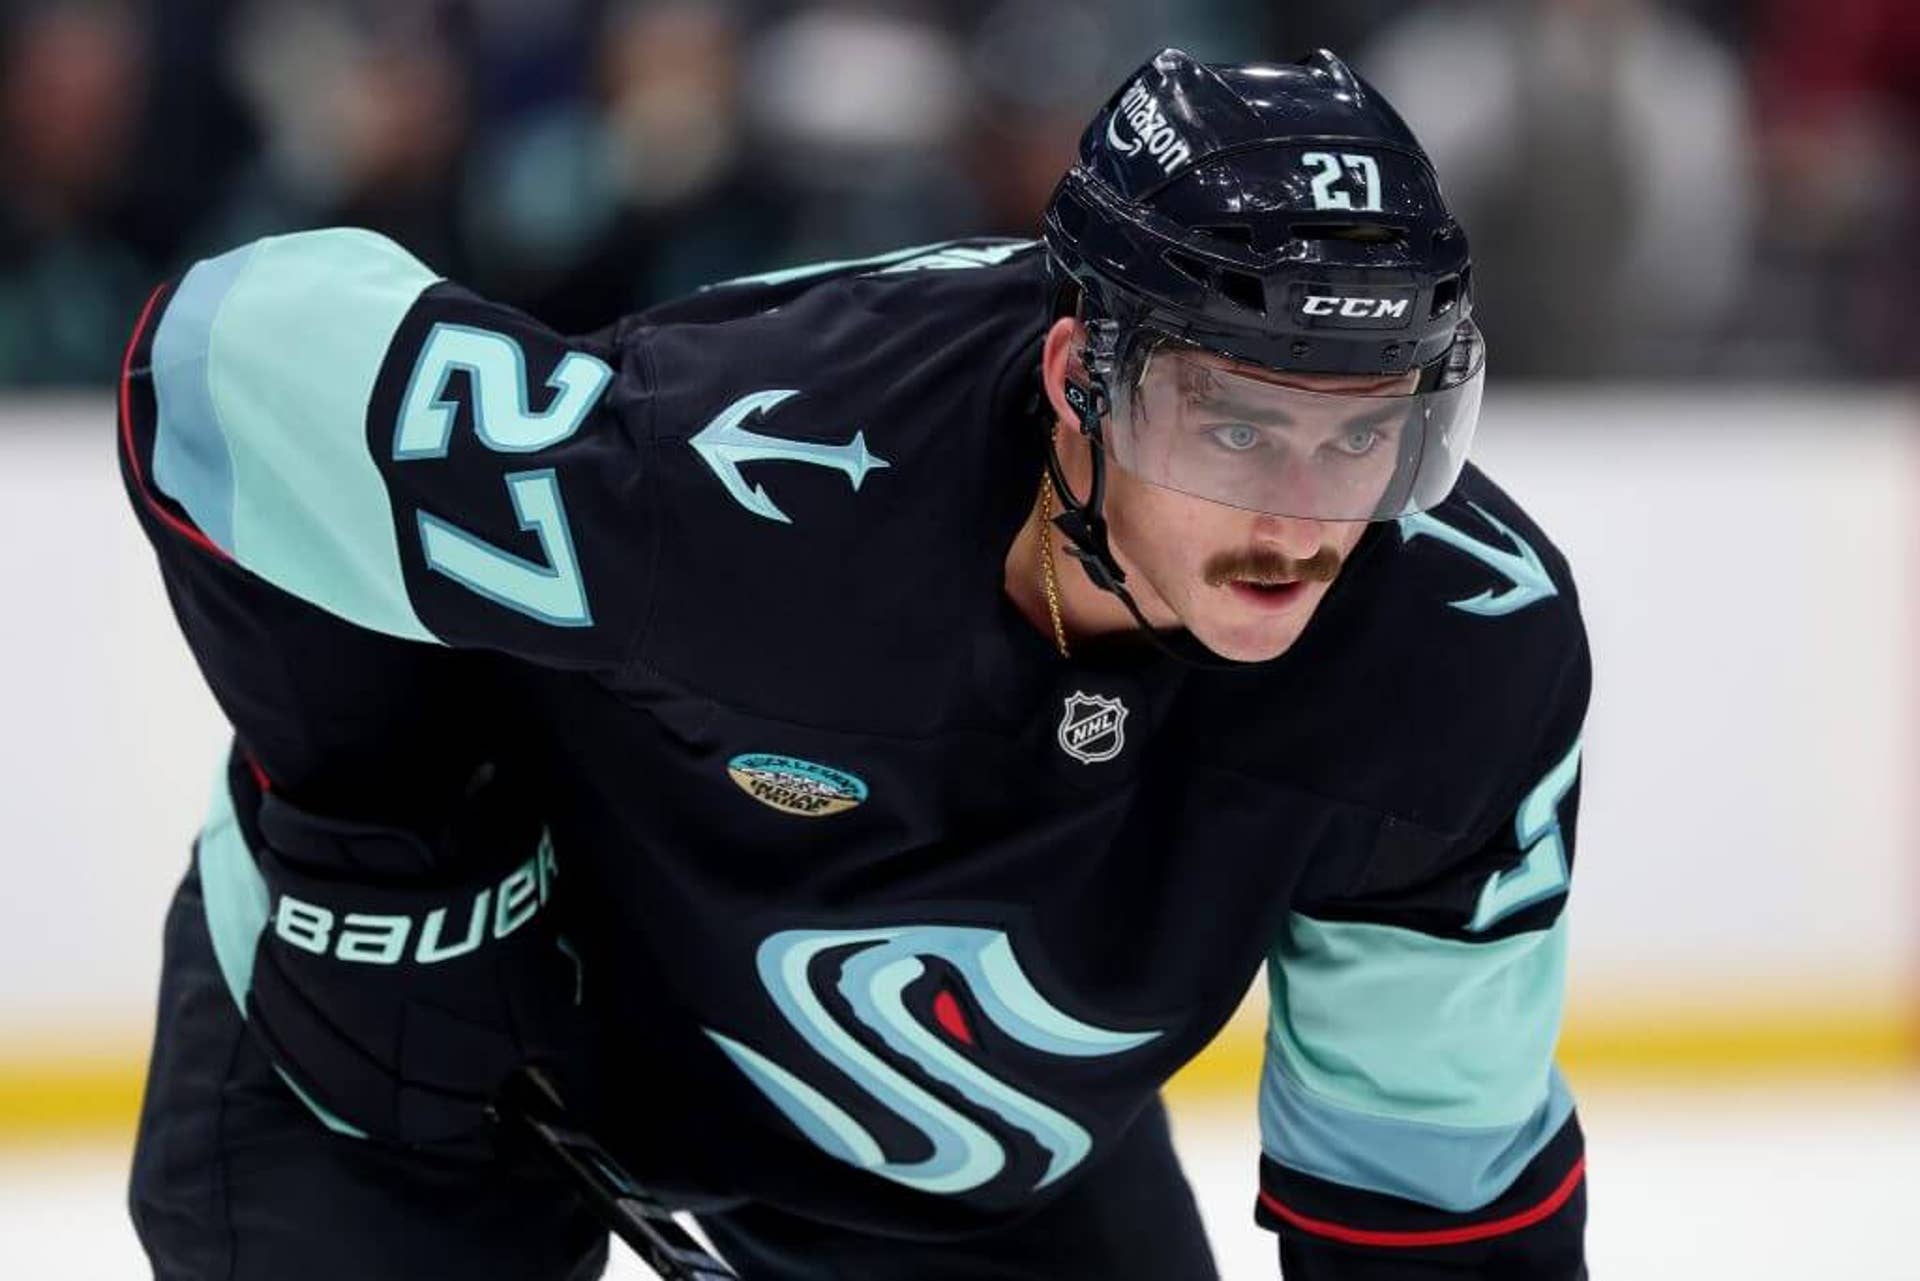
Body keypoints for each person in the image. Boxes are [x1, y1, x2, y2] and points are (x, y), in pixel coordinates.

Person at [122, 48, 1590, 1280]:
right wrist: (383, 831)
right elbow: (220, 361)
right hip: (413, 1066)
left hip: (945, 1134)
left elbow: (1428, 1189)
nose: (1299, 520)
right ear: (1081, 380)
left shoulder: (1456, 662)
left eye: (1364, 434)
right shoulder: (732, 481)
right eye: (1236, 423)